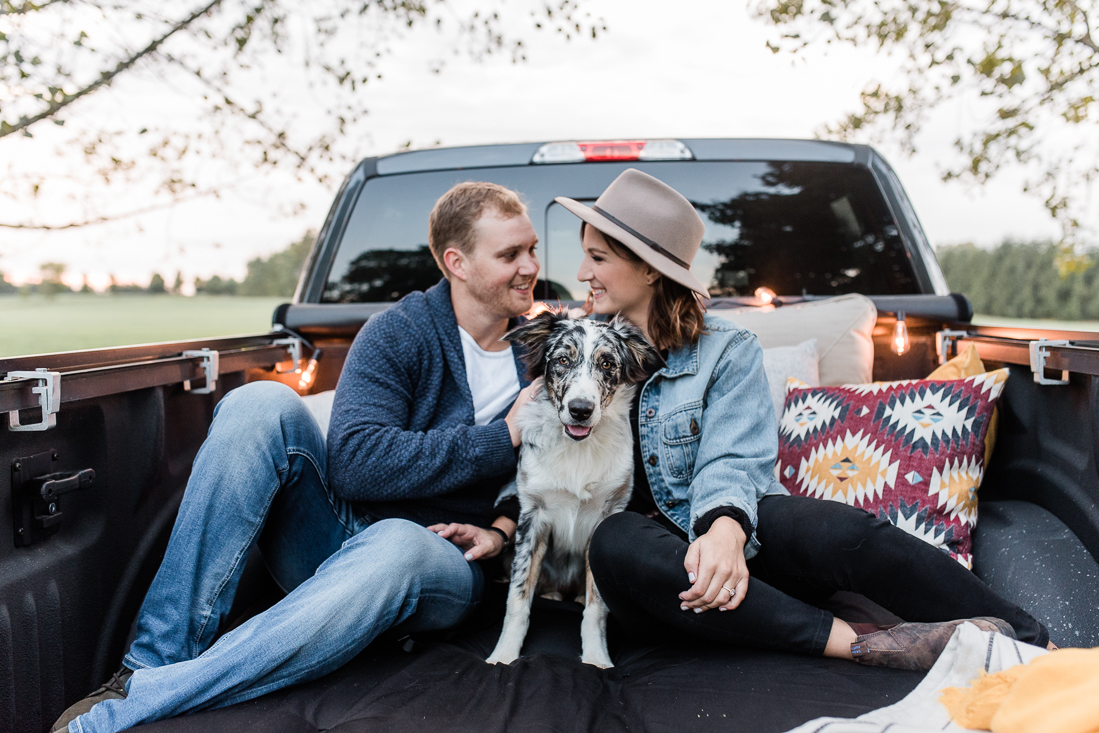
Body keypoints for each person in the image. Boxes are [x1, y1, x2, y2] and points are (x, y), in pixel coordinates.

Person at [53, 181, 543, 733]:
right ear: (456, 262)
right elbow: (356, 462)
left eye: (531, 249)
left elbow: (557, 479)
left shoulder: (540, 354)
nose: (530, 266)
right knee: (258, 401)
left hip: (447, 566)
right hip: (341, 533)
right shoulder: (400, 333)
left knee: (400, 540)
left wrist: (500, 534)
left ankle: (140, 705)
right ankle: (150, 662)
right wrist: (500, 437)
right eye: (510, 255)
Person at [559, 168, 1051, 669]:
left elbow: (732, 456)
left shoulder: (728, 349)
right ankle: (861, 643)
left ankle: (1040, 644)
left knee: (834, 528)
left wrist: (724, 529)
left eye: (597, 257)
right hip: (658, 584)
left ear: (648, 269)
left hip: (736, 538)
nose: (582, 273)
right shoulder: (575, 352)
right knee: (615, 539)